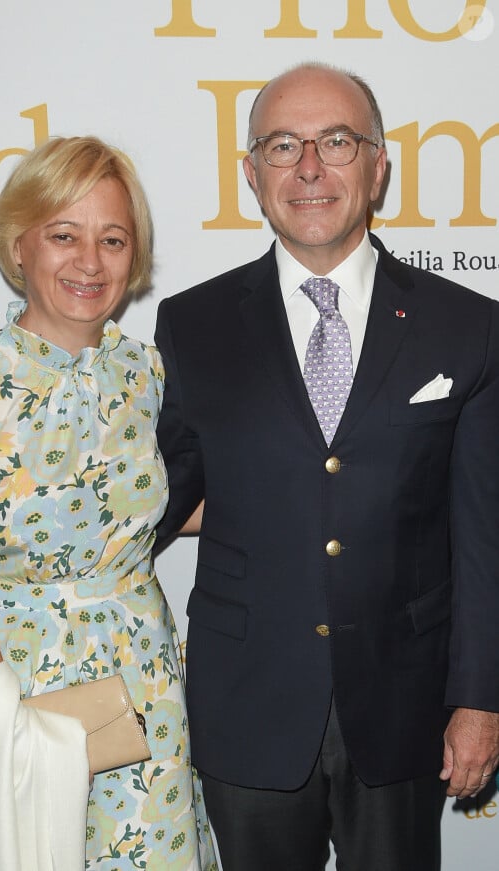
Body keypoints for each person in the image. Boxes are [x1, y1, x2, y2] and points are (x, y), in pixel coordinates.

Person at [154, 63, 499, 871]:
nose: (309, 167)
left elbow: (485, 537)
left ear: (379, 165)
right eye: (282, 145)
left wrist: (480, 697)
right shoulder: (192, 324)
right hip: (247, 700)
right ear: (250, 174)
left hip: (405, 705)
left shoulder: (469, 328)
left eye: (336, 141)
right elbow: (158, 493)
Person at [0, 135, 216, 870]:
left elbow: (161, 506)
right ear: (19, 244)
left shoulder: (145, 371)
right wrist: (13, 733)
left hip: (141, 692)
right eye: (64, 235)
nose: (90, 261)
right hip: (12, 688)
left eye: (113, 239)